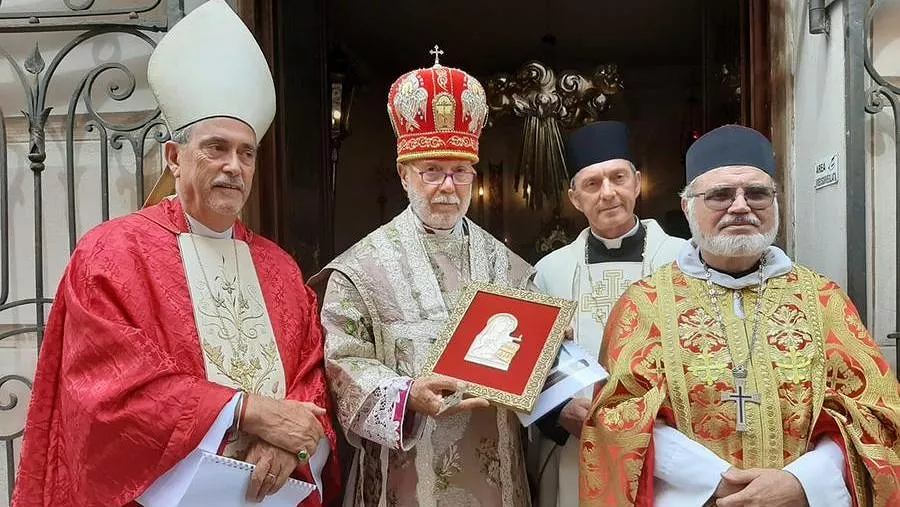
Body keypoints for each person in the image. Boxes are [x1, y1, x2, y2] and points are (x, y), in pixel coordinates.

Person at [12, 2, 340, 505]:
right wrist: (244, 411)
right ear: (174, 156)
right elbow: (106, 395)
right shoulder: (112, 256)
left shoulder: (280, 270)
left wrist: (289, 446)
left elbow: (310, 379)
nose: (234, 166)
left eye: (246, 153)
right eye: (216, 148)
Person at [579, 124, 900, 507]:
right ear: (688, 207)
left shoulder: (823, 299)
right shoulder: (644, 304)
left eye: (758, 193)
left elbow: (875, 414)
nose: (740, 206)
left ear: (775, 203)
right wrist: (716, 481)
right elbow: (617, 417)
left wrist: (802, 482)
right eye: (720, 195)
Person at [309, 52, 536, 506]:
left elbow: (532, 363)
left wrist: (549, 351)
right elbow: (342, 365)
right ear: (404, 174)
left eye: (460, 171)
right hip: (406, 479)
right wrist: (406, 395)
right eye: (432, 170)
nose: (447, 186)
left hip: (495, 477)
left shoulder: (509, 267)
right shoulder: (360, 270)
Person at [531, 121, 685, 507]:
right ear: (574, 198)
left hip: (665, 443)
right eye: (592, 184)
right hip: (577, 444)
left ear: (637, 182)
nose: (608, 193)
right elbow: (527, 362)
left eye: (618, 178)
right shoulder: (549, 272)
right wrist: (558, 412)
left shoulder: (684, 261)